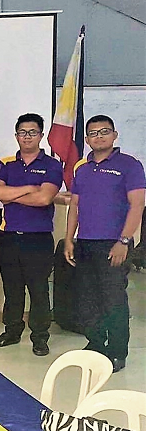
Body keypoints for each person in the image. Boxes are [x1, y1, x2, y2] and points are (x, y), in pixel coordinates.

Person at [64, 115, 145, 373]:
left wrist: (124, 240)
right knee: (88, 299)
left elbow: (137, 205)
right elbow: (75, 206)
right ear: (87, 139)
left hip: (114, 243)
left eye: (104, 131)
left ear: (114, 135)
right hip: (85, 242)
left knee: (113, 300)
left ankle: (118, 352)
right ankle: (96, 344)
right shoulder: (83, 169)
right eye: (93, 133)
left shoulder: (129, 165)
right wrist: (69, 239)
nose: (98, 137)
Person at [0, 113, 63, 356]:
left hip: (38, 237)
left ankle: (40, 337)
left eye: (32, 132)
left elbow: (44, 199)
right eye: (23, 132)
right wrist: (30, 188)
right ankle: (11, 331)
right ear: (16, 136)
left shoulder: (52, 164)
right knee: (12, 288)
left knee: (38, 290)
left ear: (41, 135)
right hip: (9, 235)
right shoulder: (6, 163)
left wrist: (13, 194)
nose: (27, 136)